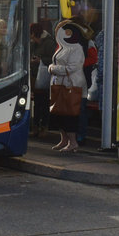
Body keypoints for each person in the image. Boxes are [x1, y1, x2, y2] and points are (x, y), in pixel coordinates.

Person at [47, 19, 87, 153]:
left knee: (70, 114)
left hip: (71, 86)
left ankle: (73, 142)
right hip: (59, 85)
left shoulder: (76, 48)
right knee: (59, 113)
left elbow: (72, 67)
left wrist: (53, 68)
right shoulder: (63, 47)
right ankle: (64, 139)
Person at [29, 22, 55, 135]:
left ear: (34, 33)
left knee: (44, 102)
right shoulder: (33, 44)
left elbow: (53, 59)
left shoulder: (49, 43)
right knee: (37, 102)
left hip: (45, 76)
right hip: (35, 76)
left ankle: (44, 126)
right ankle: (36, 126)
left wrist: (40, 61)